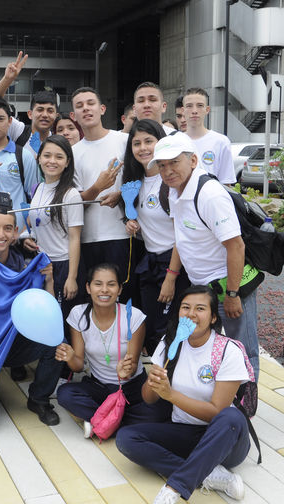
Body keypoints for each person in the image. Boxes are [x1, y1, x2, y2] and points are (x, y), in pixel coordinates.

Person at [116, 285, 250, 503]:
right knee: (126, 438)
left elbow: (216, 413)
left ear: (213, 317)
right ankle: (208, 473)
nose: (191, 314)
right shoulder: (169, 343)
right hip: (186, 433)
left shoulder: (228, 351)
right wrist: (154, 381)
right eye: (185, 307)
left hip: (225, 438)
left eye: (200, 309)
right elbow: (149, 399)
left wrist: (171, 396)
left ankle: (174, 487)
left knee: (231, 416)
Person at [149, 132, 261, 379]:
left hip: (229, 285)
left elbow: (236, 246)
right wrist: (171, 277)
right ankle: (217, 399)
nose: (167, 171)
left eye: (174, 162)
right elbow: (182, 238)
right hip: (201, 287)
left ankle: (244, 407)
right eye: (162, 165)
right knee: (206, 346)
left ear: (193, 160)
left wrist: (232, 295)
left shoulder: (210, 195)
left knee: (241, 349)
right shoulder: (174, 191)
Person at [0, 208, 63, 430]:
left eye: (7, 228)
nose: (1, 234)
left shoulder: (23, 267)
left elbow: (46, 317)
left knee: (56, 343)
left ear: (15, 232)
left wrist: (48, 282)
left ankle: (38, 400)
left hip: (8, 346)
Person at [56, 263, 169, 437]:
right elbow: (78, 366)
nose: (104, 290)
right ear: (88, 287)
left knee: (160, 412)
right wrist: (70, 357)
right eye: (98, 284)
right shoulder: (78, 315)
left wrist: (125, 371)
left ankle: (101, 420)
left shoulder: (133, 316)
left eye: (111, 284)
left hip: (132, 388)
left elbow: (130, 369)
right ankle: (115, 421)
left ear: (120, 289)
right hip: (99, 387)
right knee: (65, 394)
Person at [122, 119, 189, 354]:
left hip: (174, 265)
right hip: (150, 263)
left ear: (161, 142)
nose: (142, 148)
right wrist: (132, 224)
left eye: (149, 141)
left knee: (170, 331)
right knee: (151, 330)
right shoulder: (135, 180)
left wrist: (171, 278)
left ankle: (173, 387)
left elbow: (181, 234)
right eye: (136, 143)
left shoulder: (169, 181)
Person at [69, 87, 132, 301]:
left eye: (90, 103)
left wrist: (121, 195)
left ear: (102, 109)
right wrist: (98, 187)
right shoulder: (73, 153)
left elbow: (142, 182)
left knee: (122, 298)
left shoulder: (124, 141)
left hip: (122, 235)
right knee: (94, 300)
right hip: (88, 239)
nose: (86, 108)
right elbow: (74, 203)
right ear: (73, 115)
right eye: (79, 106)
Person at [24, 135, 82, 326]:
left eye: (59, 157)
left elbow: (75, 238)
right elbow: (36, 224)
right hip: (40, 263)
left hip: (62, 265)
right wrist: (28, 238)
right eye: (47, 155)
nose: (52, 161)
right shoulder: (38, 188)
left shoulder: (71, 194)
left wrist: (71, 277)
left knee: (60, 319)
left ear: (67, 163)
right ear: (39, 158)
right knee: (44, 317)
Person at [0, 96, 40, 230]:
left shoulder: (24, 156)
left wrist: (25, 232)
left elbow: (35, 198)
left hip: (16, 233)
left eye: (0, 119)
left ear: (10, 121)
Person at [0, 52, 58, 157]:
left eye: (50, 111)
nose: (45, 114)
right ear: (30, 114)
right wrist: (8, 79)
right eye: (40, 109)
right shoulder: (19, 131)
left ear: (56, 116)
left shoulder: (58, 142)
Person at [183, 87, 236, 184]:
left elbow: (226, 182)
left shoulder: (221, 142)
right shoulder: (175, 141)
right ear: (183, 110)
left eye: (200, 105)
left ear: (207, 110)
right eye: (189, 106)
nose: (194, 111)